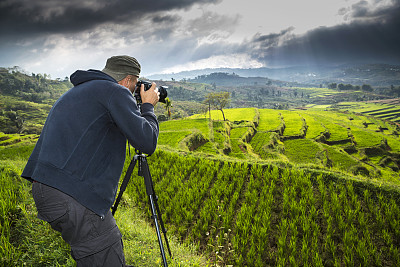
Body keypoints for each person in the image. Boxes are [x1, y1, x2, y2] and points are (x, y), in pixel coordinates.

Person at [21, 55, 160, 266]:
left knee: (97, 253)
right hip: (73, 195)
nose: (133, 91)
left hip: (47, 188)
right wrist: (148, 107)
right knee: (106, 256)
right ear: (128, 81)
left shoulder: (79, 91)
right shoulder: (116, 91)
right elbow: (147, 142)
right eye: (134, 86)